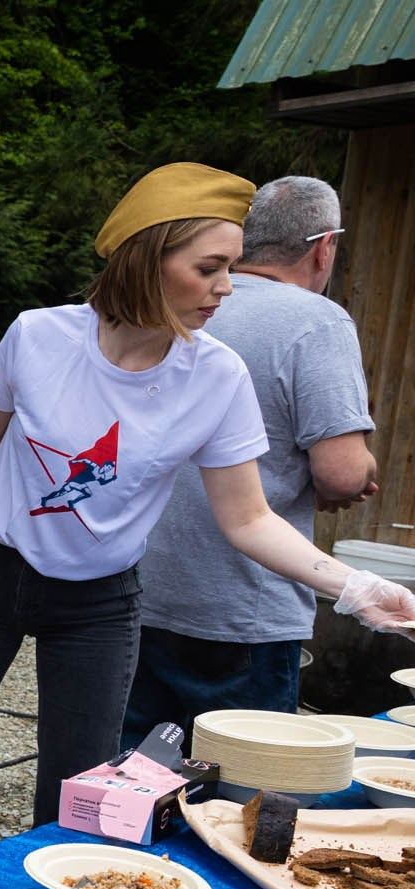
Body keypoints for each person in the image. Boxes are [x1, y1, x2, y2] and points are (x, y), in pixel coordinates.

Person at [0, 163, 415, 889]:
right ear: (150, 261)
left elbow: (248, 519)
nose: (226, 287)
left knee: (74, 790)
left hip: (100, 602)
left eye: (229, 268)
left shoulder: (217, 377)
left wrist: (360, 587)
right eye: (209, 268)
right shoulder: (38, 337)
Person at [121, 175, 376, 747]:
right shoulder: (316, 321)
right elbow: (340, 472)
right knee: (237, 787)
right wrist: (356, 472)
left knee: (128, 776)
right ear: (323, 245)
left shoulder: (174, 305)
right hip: (241, 603)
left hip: (138, 586)